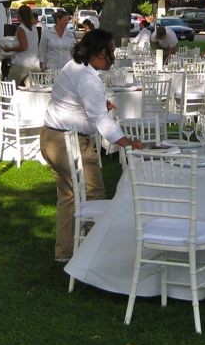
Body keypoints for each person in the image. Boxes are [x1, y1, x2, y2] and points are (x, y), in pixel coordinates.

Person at [39, 29, 145, 262]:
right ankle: (89, 251)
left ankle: (71, 250)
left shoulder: (75, 67)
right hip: (65, 140)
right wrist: (127, 142)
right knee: (90, 193)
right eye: (112, 51)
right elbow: (101, 121)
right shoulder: (88, 78)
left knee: (71, 195)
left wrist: (97, 104)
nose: (114, 56)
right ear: (99, 53)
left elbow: (75, 101)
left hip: (53, 136)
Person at [1, 5, 41, 85]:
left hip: (21, 65)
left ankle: (8, 98)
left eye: (17, 14)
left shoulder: (21, 29)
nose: (16, 16)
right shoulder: (34, 27)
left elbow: (24, 46)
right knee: (32, 92)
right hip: (34, 64)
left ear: (20, 16)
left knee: (10, 89)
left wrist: (9, 49)